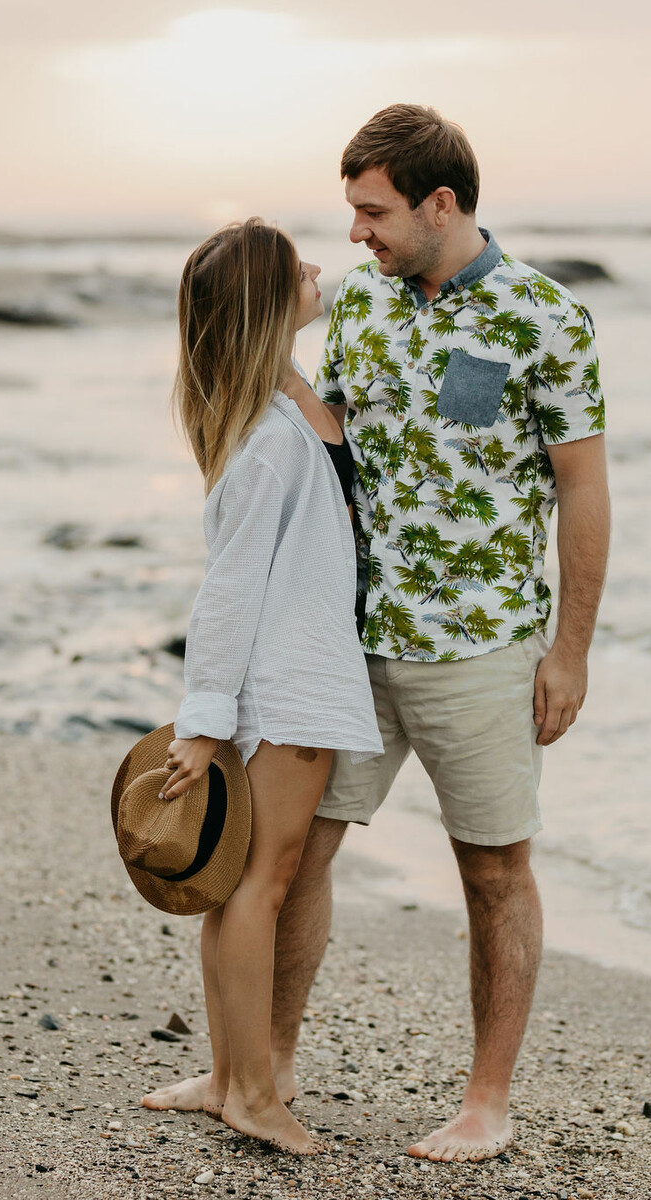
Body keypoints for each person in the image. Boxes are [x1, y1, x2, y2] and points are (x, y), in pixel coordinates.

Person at [276, 102, 614, 1162]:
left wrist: (571, 651)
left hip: (481, 647)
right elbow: (327, 444)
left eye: (373, 212)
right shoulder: (363, 311)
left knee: (494, 872)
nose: (356, 235)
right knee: (295, 851)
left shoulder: (545, 319)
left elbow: (585, 493)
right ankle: (262, 1072)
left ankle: (486, 1103)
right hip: (351, 640)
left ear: (441, 202)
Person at [138, 217, 382, 1155]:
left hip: (308, 675)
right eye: (298, 267)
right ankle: (246, 1091)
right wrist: (202, 724)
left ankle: (230, 1077)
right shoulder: (269, 441)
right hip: (292, 685)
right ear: (266, 302)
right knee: (259, 886)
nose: (320, 268)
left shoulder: (291, 400)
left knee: (252, 883)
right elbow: (229, 589)